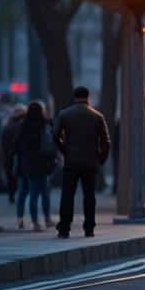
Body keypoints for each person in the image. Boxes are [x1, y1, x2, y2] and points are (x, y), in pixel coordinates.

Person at [53, 86, 110, 239]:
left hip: (71, 161)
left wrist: (65, 150)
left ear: (74, 96)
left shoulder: (65, 114)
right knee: (89, 196)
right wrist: (101, 158)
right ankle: (89, 228)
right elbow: (106, 141)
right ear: (88, 97)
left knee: (67, 195)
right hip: (90, 162)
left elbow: (55, 136)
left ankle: (64, 228)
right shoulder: (97, 116)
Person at [15, 102, 55, 231]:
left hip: (27, 164)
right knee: (44, 193)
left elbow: (17, 145)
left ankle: (33, 221)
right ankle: (47, 219)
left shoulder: (23, 126)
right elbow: (51, 143)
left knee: (29, 194)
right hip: (42, 163)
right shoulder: (45, 124)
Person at [0, 104, 27, 205]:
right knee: (21, 177)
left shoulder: (7, 125)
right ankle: (20, 195)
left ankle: (11, 195)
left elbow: (2, 142)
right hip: (21, 155)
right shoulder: (24, 124)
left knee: (11, 176)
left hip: (9, 155)